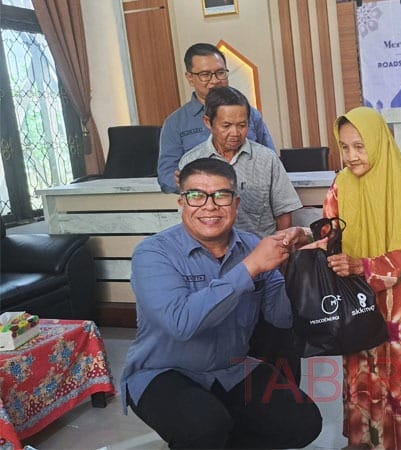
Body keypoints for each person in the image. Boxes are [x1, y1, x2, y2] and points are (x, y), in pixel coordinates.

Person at [120, 158, 321, 449]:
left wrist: (297, 266)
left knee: (303, 423)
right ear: (181, 202)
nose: (210, 206)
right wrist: (250, 268)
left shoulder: (252, 245)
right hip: (163, 372)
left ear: (235, 203)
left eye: (221, 195)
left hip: (230, 369)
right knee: (203, 427)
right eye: (196, 196)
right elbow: (181, 324)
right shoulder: (153, 253)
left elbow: (281, 318)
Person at [284, 106, 401, 449]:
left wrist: (364, 267)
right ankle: (366, 441)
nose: (351, 156)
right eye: (344, 147)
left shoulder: (400, 184)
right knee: (361, 369)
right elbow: (332, 235)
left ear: (378, 142)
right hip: (355, 297)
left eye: (360, 146)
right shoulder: (341, 184)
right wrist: (307, 239)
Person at [179, 86, 301, 238]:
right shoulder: (192, 161)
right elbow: (188, 216)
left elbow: (283, 213)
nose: (235, 133)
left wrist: (281, 247)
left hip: (259, 248)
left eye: (242, 125)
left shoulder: (266, 159)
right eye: (226, 126)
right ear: (208, 122)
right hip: (208, 250)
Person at [158, 43, 276, 194]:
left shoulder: (251, 114)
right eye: (205, 74)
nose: (215, 81)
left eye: (220, 73)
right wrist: (186, 182)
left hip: (252, 199)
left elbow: (272, 163)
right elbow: (166, 176)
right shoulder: (175, 123)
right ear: (190, 78)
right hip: (204, 202)